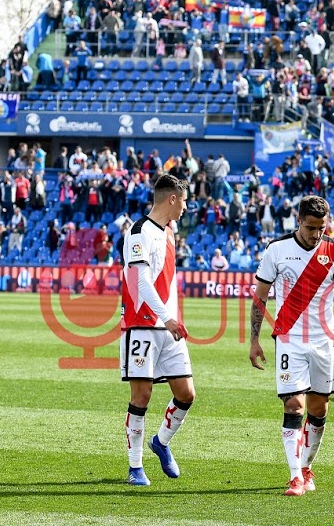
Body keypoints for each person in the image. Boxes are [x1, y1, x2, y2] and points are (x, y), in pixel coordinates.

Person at [249, 196, 334, 496]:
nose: (316, 234)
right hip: (289, 339)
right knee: (293, 405)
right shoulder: (277, 250)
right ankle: (295, 476)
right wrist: (254, 339)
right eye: (311, 227)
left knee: (319, 408)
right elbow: (260, 296)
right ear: (299, 221)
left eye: (322, 228)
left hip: (324, 342)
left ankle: (307, 467)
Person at [120, 174, 194, 487]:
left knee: (186, 394)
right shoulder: (139, 232)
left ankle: (161, 442)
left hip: (167, 325)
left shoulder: (169, 234)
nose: (186, 207)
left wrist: (170, 317)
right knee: (142, 395)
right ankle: (135, 467)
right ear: (172, 199)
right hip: (142, 325)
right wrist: (166, 317)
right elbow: (140, 282)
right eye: (185, 200)